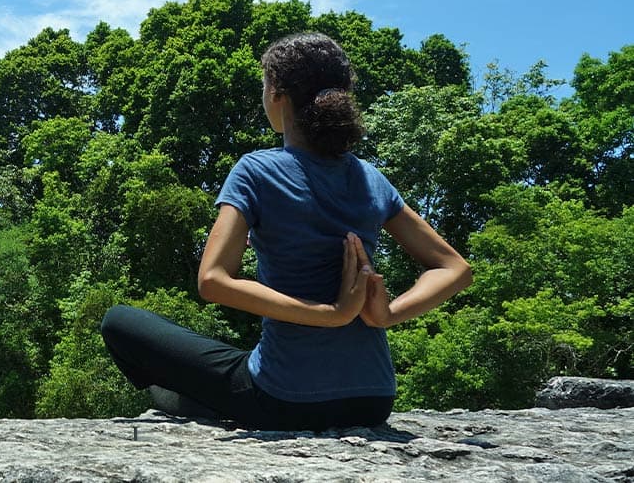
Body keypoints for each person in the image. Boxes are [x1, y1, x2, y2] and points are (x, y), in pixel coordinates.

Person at [100, 32, 473, 431]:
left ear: (277, 93)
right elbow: (455, 268)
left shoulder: (255, 170)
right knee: (243, 357)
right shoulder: (369, 178)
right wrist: (386, 315)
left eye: (263, 86)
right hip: (373, 398)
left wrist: (329, 316)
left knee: (119, 321)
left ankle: (192, 400)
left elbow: (213, 281)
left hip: (284, 400)